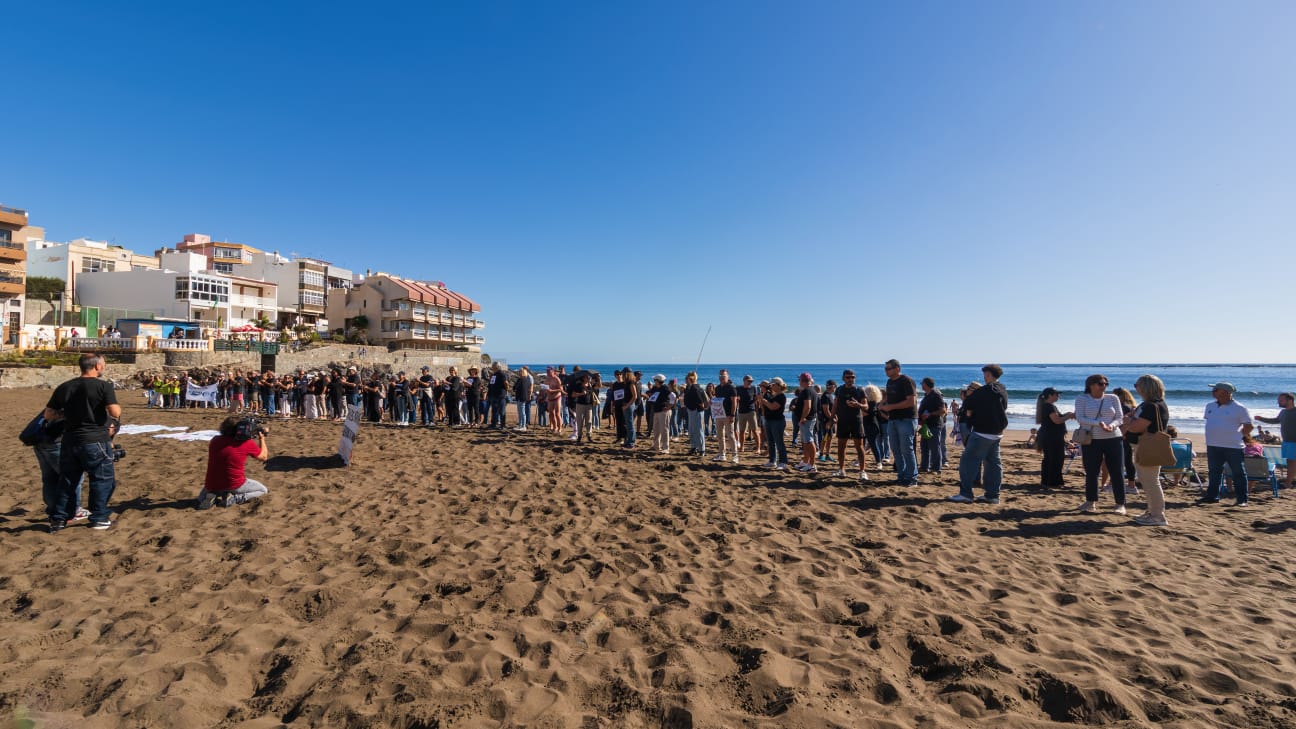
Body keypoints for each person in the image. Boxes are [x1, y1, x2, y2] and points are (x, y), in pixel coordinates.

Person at [45, 353, 121, 532]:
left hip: (70, 439)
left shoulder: (65, 386)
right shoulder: (103, 386)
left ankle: (59, 519)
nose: (104, 367)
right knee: (102, 479)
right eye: (103, 364)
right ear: (97, 366)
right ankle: (99, 517)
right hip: (94, 438)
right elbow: (115, 412)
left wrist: (69, 414)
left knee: (68, 480)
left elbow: (49, 414)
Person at [950, 364, 1009, 504]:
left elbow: (968, 405)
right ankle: (992, 495)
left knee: (967, 462)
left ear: (988, 374)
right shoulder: (1002, 389)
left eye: (985, 374)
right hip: (997, 431)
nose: (984, 377)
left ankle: (966, 494)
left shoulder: (985, 390)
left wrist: (971, 406)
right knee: (993, 463)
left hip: (982, 431)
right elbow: (1004, 406)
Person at [1075, 374, 1127, 514]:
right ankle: (1090, 502)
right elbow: (1080, 418)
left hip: (1113, 437)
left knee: (1117, 471)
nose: (1104, 386)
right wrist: (1099, 423)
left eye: (1106, 384)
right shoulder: (1082, 398)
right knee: (1092, 472)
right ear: (1091, 385)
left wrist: (1112, 425)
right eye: (1100, 383)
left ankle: (1120, 504)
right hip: (1091, 439)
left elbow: (1120, 418)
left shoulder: (1113, 398)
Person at [1124, 374, 1172, 526]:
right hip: (1143, 446)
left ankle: (1157, 515)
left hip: (1147, 446)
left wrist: (1129, 421)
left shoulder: (1151, 406)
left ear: (1146, 387)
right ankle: (1152, 511)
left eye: (1137, 385)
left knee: (1150, 481)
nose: (1135, 388)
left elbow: (1136, 427)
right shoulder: (1149, 404)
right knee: (1147, 480)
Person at [1199, 382, 1253, 507]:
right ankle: (1212, 496)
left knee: (1238, 473)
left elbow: (1249, 426)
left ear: (1225, 392)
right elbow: (1211, 421)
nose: (1213, 391)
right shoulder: (1210, 406)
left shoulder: (1239, 408)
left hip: (1233, 446)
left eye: (1216, 389)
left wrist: (1239, 436)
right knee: (1214, 472)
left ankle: (1242, 499)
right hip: (1213, 445)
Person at [196, 416, 270, 509]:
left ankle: (211, 495)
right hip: (234, 484)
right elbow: (264, 457)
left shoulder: (215, 440)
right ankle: (234, 499)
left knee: (202, 497)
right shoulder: (247, 443)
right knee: (263, 490)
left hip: (211, 484)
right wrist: (262, 438)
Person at [880, 359, 919, 485]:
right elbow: (889, 397)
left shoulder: (906, 380)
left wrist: (890, 407)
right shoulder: (890, 382)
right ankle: (901, 476)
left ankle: (912, 478)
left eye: (888, 368)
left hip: (906, 419)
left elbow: (911, 401)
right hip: (893, 419)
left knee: (906, 449)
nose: (886, 371)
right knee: (896, 449)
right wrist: (882, 403)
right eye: (885, 369)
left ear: (897, 369)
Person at [833, 370, 871, 481]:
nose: (850, 379)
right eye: (848, 377)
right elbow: (835, 405)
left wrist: (858, 404)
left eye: (852, 377)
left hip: (856, 421)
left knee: (859, 447)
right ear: (843, 378)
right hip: (842, 421)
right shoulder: (839, 390)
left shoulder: (859, 390)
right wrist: (831, 418)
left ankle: (862, 471)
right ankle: (841, 469)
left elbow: (866, 406)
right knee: (841, 446)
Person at [1254, 392, 1295, 489]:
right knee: (1290, 462)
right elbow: (1275, 420)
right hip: (1286, 441)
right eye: (1278, 400)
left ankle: (1288, 483)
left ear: (1290, 400)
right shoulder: (1283, 412)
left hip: (1294, 441)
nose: (1278, 402)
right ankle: (1289, 482)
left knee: (1292, 463)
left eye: (1281, 400)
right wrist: (1261, 418)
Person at [1035, 387, 1074, 487]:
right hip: (1053, 437)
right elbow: (1056, 420)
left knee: (1049, 458)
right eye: (1056, 394)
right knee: (1056, 459)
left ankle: (1046, 481)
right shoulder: (1049, 406)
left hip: (1049, 436)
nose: (1058, 396)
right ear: (1050, 395)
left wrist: (1066, 414)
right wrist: (1068, 416)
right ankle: (1053, 482)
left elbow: (1056, 418)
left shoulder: (1047, 406)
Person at [918, 377, 948, 474]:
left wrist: (930, 414)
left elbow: (943, 410)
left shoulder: (936, 395)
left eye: (922, 383)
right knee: (924, 446)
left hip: (934, 424)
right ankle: (924, 466)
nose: (921, 385)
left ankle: (936, 468)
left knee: (934, 447)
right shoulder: (927, 395)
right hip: (926, 424)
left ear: (926, 384)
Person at [759, 377, 789, 470]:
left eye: (773, 385)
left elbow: (773, 407)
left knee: (779, 442)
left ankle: (783, 462)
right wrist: (762, 401)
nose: (771, 386)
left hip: (777, 421)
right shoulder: (774, 395)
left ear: (778, 385)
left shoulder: (781, 396)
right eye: (771, 385)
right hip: (769, 420)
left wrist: (763, 401)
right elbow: (766, 408)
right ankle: (772, 461)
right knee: (770, 442)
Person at [712, 369, 739, 463]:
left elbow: (734, 402)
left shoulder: (731, 387)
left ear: (727, 376)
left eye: (723, 376)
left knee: (730, 435)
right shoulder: (717, 388)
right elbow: (717, 400)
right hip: (719, 414)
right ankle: (722, 454)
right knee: (720, 435)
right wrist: (712, 402)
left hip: (728, 415)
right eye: (720, 376)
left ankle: (735, 455)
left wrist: (732, 415)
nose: (722, 378)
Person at [794, 373, 820, 471]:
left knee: (809, 441)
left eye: (799, 380)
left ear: (802, 381)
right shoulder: (811, 390)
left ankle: (812, 465)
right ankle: (805, 461)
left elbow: (808, 406)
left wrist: (802, 418)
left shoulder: (807, 391)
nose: (799, 382)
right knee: (805, 441)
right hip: (808, 419)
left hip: (807, 419)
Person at [682, 372, 708, 456]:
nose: (685, 380)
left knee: (698, 430)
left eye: (687, 378)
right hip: (690, 410)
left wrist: (701, 406)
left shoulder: (696, 388)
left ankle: (702, 449)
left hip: (696, 410)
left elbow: (701, 402)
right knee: (691, 429)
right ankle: (694, 447)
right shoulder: (689, 387)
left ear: (691, 379)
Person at [647, 374, 675, 454]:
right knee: (656, 430)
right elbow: (652, 396)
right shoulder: (655, 388)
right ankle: (656, 446)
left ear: (658, 381)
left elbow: (673, 396)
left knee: (664, 430)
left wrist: (668, 407)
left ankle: (666, 448)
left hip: (664, 411)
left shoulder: (665, 388)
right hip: (656, 411)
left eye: (655, 380)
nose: (654, 381)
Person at [736, 375, 761, 456]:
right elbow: (735, 398)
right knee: (742, 431)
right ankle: (742, 447)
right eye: (749, 381)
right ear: (744, 380)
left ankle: (758, 448)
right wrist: (737, 400)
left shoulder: (753, 388)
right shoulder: (739, 388)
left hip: (751, 411)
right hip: (741, 412)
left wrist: (757, 408)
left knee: (755, 430)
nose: (750, 382)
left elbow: (756, 398)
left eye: (751, 381)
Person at [818, 380, 837, 464]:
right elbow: (826, 410)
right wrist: (832, 419)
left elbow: (832, 409)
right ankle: (821, 454)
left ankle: (827, 454)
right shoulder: (825, 396)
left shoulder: (830, 395)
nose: (835, 388)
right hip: (826, 421)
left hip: (830, 420)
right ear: (832, 386)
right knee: (825, 438)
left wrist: (835, 416)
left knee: (829, 438)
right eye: (835, 387)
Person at [486, 363, 509, 429]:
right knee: (494, 411)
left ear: (497, 367)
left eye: (493, 367)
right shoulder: (494, 375)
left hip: (501, 395)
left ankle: (502, 425)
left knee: (502, 411)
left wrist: (506, 390)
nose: (492, 368)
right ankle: (493, 424)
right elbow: (491, 384)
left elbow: (506, 383)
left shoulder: (502, 374)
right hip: (494, 395)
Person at [513, 366, 534, 431]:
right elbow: (515, 387)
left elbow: (523, 388)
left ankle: (523, 426)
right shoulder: (521, 379)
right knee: (520, 412)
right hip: (520, 397)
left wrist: (529, 395)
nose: (519, 373)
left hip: (522, 397)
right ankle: (520, 425)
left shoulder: (524, 379)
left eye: (520, 372)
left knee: (522, 412)